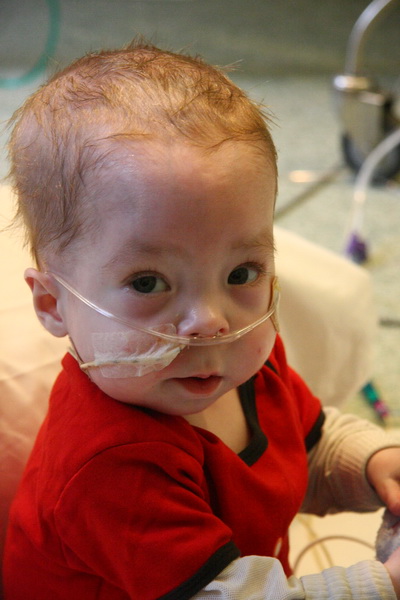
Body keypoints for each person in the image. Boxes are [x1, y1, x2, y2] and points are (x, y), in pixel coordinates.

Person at [3, 40, 400, 600]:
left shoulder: (244, 356)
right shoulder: (108, 467)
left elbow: (306, 443)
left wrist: (373, 462)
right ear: (52, 305)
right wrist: (384, 583)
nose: (211, 322)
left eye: (241, 273)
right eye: (148, 283)